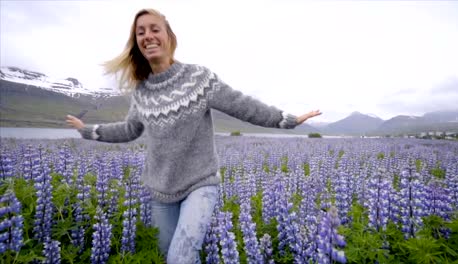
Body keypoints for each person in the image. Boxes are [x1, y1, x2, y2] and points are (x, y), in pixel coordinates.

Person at [66, 8, 322, 264]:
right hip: (160, 190)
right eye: (140, 32)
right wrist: (89, 130)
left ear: (169, 36)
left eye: (155, 29)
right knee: (168, 255)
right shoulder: (142, 91)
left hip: (199, 184)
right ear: (137, 43)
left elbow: (241, 105)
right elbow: (130, 129)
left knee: (180, 259)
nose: (148, 36)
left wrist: (286, 120)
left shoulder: (199, 78)